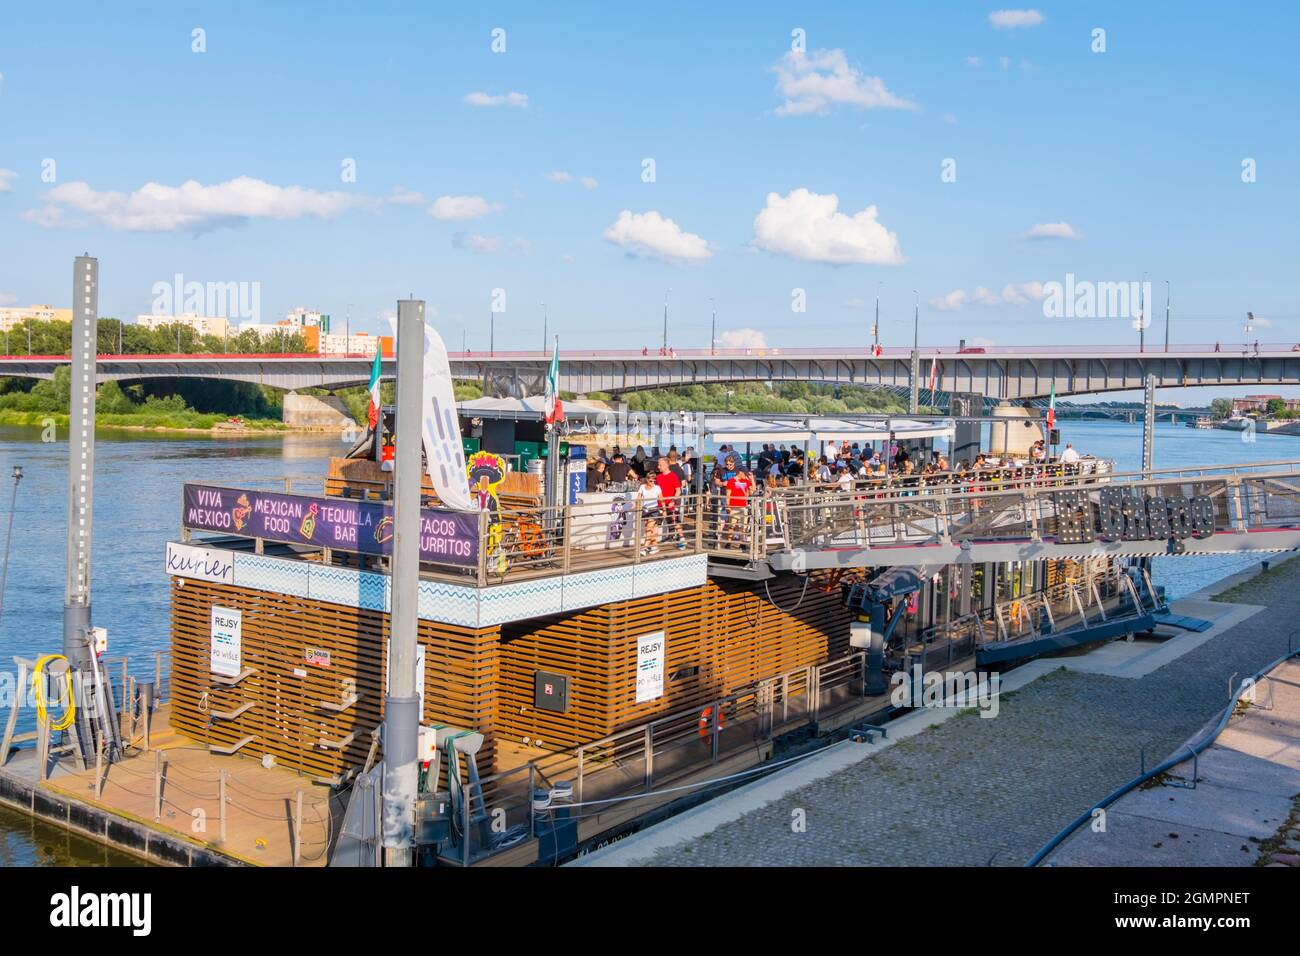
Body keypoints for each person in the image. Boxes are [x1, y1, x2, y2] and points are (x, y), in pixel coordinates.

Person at [656, 456, 686, 549]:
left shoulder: (673, 476)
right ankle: (652, 545)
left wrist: (673, 501)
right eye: (658, 465)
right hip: (660, 504)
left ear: (665, 465)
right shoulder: (658, 477)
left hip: (670, 504)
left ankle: (682, 541)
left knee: (674, 522)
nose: (658, 467)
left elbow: (678, 491)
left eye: (660, 465)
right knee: (655, 524)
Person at [725, 467, 755, 545]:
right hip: (733, 506)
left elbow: (753, 490)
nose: (746, 476)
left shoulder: (746, 481)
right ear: (741, 472)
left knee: (743, 526)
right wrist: (728, 506)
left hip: (743, 506)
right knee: (731, 526)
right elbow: (728, 494)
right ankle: (729, 542)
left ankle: (742, 543)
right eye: (745, 474)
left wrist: (752, 479)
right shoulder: (731, 481)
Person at [635, 471, 662, 555]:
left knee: (648, 529)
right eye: (651, 481)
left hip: (654, 510)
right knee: (652, 530)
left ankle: (644, 547)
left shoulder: (657, 487)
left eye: (654, 481)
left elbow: (661, 499)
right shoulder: (642, 487)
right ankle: (655, 547)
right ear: (647, 480)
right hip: (645, 510)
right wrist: (635, 505)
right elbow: (638, 498)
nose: (653, 482)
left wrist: (664, 509)